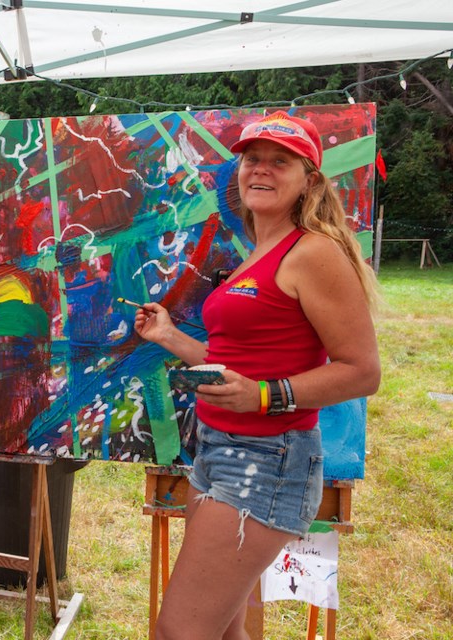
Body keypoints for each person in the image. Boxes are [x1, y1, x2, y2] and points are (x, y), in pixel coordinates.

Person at [134, 111, 381, 640]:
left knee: (177, 632)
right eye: (252, 159)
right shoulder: (260, 252)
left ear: (309, 179)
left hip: (266, 462)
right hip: (220, 452)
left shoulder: (314, 251)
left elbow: (362, 372)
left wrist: (269, 396)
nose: (261, 170)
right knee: (224, 631)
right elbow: (236, 370)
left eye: (280, 160)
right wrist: (171, 338)